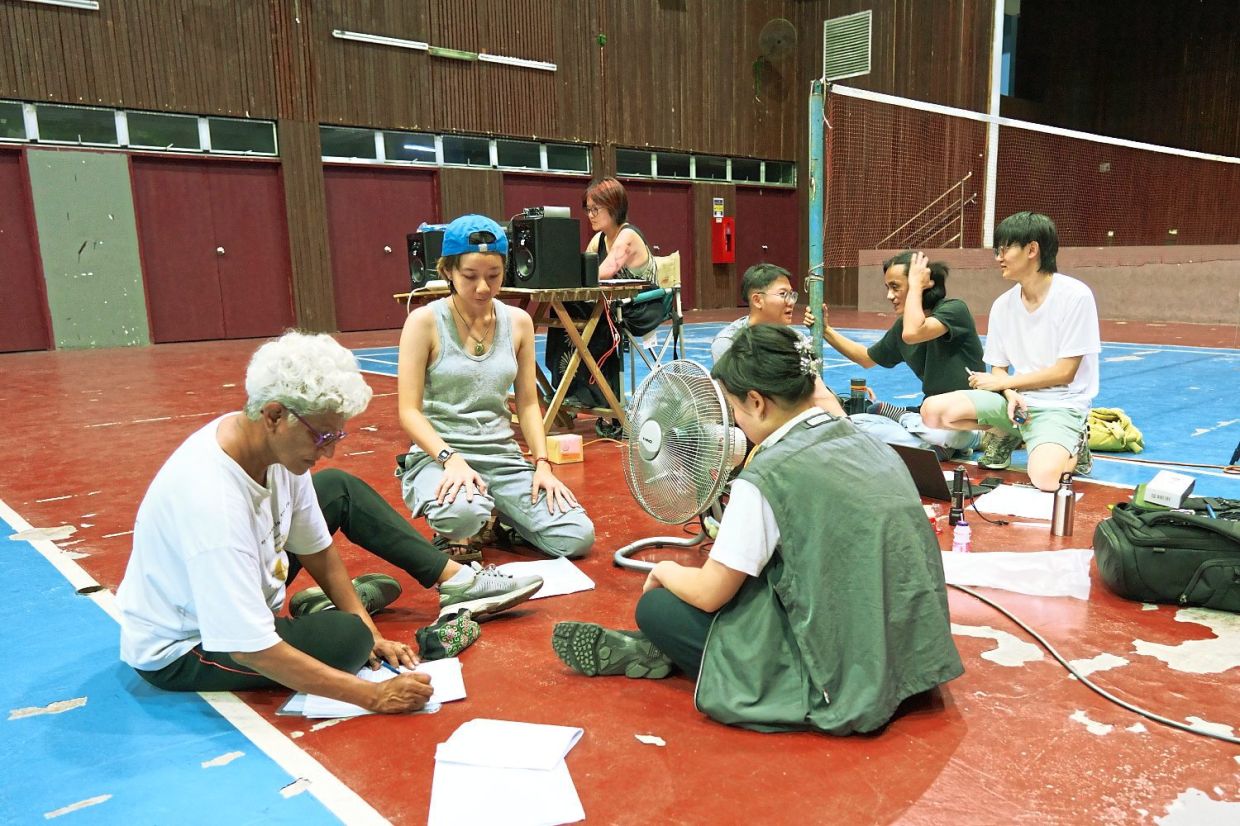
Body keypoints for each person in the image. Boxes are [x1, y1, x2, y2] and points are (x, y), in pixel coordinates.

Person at [551, 325, 964, 735]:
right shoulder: (868, 442)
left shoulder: (768, 475)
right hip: (914, 656)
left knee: (658, 609)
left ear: (756, 401)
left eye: (735, 410)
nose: (735, 422)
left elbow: (710, 593)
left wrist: (665, 570)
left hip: (845, 672)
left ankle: (669, 652)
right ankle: (661, 653)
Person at [116, 332, 429, 711]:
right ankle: (320, 618)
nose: (330, 450)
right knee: (348, 639)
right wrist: (374, 695)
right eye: (322, 436)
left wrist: (373, 634)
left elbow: (318, 551)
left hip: (240, 578)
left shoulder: (267, 446)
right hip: (187, 646)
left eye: (336, 435)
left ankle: (449, 577)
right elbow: (251, 650)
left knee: (335, 487)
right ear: (274, 415)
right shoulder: (213, 502)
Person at [397, 214, 594, 562]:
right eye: (470, 276)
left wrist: (542, 463)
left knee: (577, 537)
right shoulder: (424, 322)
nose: (483, 288)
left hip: (502, 459)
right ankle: (470, 519)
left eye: (494, 275)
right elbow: (408, 411)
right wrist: (450, 459)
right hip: (440, 456)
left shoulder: (518, 323)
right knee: (462, 515)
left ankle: (499, 517)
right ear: (448, 271)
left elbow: (528, 404)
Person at [920, 212, 1100, 490]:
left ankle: (1076, 444)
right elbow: (999, 369)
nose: (999, 257)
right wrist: (1009, 392)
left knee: (1045, 479)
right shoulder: (1002, 305)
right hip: (1017, 401)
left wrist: (1005, 383)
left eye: (1005, 249)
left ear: (1032, 249)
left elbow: (1065, 372)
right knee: (932, 412)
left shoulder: (1075, 296)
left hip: (1061, 405)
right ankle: (1011, 431)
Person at [288, 469, 544, 631]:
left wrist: (542, 463)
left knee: (336, 486)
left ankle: (457, 580)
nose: (328, 449)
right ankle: (331, 613)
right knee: (353, 644)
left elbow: (311, 540)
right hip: (262, 624)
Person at [807, 250, 984, 459]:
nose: (889, 296)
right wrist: (826, 330)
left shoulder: (954, 310)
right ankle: (928, 442)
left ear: (922, 283)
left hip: (969, 419)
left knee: (947, 434)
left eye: (895, 287)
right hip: (928, 418)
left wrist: (916, 287)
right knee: (856, 424)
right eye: (888, 288)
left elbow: (913, 333)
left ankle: (908, 421)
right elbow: (865, 358)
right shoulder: (903, 326)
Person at [549, 177, 660, 437]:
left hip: (639, 307)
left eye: (595, 209)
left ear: (614, 207)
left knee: (594, 321)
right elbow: (586, 271)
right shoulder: (598, 239)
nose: (590, 215)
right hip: (611, 305)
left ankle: (604, 399)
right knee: (562, 312)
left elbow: (604, 271)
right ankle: (570, 390)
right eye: (588, 209)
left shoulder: (628, 235)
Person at [711, 263, 846, 418]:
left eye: (792, 295)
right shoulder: (728, 343)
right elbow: (738, 402)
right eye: (783, 294)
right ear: (757, 300)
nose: (791, 302)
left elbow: (817, 392)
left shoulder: (797, 340)